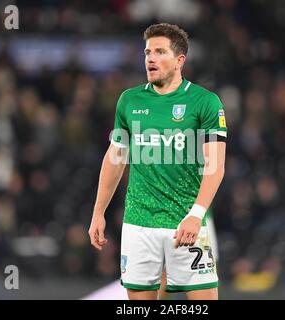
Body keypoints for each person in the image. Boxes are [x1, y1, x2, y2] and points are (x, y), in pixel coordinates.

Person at [88, 23, 227, 300]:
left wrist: (196, 215)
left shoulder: (206, 102)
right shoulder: (129, 100)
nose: (150, 58)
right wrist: (98, 211)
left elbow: (215, 166)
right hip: (138, 224)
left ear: (179, 61)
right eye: (147, 52)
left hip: (186, 222)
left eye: (160, 51)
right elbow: (115, 159)